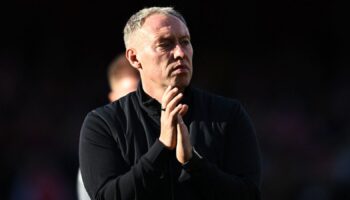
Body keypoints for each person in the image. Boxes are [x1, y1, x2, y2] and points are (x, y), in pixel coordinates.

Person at [79, 6, 262, 200]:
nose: (181, 53)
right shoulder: (103, 123)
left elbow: (249, 194)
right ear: (134, 58)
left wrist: (193, 164)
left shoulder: (228, 115)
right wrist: (161, 148)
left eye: (185, 42)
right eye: (165, 44)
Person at [77, 53, 140, 200]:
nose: (133, 105)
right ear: (112, 99)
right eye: (125, 99)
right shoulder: (94, 157)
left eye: (139, 97)